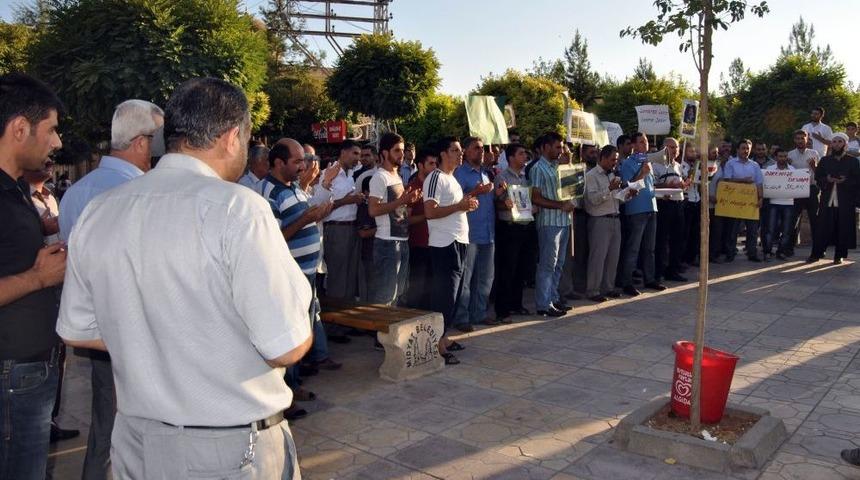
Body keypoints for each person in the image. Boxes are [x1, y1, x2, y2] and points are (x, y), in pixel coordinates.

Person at [56, 78, 312, 479]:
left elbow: (77, 328)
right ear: (231, 138)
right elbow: (287, 346)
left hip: (135, 442)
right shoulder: (239, 210)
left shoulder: (100, 210)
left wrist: (156, 340)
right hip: (226, 449)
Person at [59, 99, 164, 480]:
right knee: (144, 434)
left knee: (106, 427)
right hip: (141, 336)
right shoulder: (146, 196)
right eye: (158, 139)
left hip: (96, 333)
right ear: (141, 142)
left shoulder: (76, 193)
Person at [0, 73, 65, 480]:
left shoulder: (16, 189)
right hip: (11, 374)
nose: (57, 142)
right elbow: (29, 275)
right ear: (20, 128)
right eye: (52, 130)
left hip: (29, 368)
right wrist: (38, 279)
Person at [259, 140, 336, 420]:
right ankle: (284, 396)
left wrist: (318, 213)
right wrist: (306, 219)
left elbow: (304, 218)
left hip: (307, 270)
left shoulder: (293, 187)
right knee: (289, 332)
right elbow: (273, 239)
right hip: (289, 274)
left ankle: (294, 384)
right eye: (296, 162)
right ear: (278, 163)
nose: (302, 166)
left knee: (303, 326)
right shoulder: (267, 192)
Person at [23, 160, 80, 445]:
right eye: (42, 163)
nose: (48, 163)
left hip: (59, 281)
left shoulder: (51, 196)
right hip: (37, 285)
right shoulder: (20, 197)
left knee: (59, 356)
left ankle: (50, 418)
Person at [424, 137, 478, 365]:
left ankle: (444, 338)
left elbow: (454, 209)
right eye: (455, 150)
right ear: (443, 154)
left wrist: (466, 205)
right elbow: (430, 211)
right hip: (445, 245)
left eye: (459, 150)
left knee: (454, 296)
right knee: (445, 296)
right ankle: (437, 345)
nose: (460, 153)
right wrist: (460, 206)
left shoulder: (452, 179)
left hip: (459, 242)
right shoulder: (435, 177)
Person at [368, 132, 420, 305]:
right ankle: (381, 332)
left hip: (402, 239)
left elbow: (398, 206)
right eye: (397, 150)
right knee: (386, 295)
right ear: (384, 153)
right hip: (387, 242)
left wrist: (409, 201)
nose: (401, 154)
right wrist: (402, 200)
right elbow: (373, 210)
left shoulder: (395, 176)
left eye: (402, 150)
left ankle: (391, 332)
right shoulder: (379, 177)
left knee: (397, 294)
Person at [453, 136, 497, 331]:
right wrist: (477, 192)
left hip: (488, 232)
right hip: (470, 233)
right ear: (466, 151)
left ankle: (479, 313)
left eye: (481, 148)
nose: (481, 151)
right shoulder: (459, 174)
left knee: (486, 277)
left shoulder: (486, 173)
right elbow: (455, 201)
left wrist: (499, 193)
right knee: (466, 279)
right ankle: (462, 318)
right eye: (476, 148)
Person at [530, 132, 576, 316]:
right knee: (548, 264)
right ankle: (543, 304)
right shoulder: (538, 168)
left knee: (559, 264)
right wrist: (560, 205)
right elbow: (535, 197)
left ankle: (553, 298)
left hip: (564, 221)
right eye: (557, 147)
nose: (561, 150)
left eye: (562, 147)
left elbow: (570, 190)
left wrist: (569, 166)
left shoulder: (559, 166)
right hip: (549, 222)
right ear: (546, 147)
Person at [619, 132, 665, 296]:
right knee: (633, 248)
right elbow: (628, 186)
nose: (645, 144)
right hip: (636, 209)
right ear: (633, 145)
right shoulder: (627, 163)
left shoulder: (647, 162)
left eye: (646, 141)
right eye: (641, 142)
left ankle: (650, 279)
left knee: (649, 248)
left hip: (651, 207)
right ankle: (627, 282)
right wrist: (642, 173)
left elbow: (649, 186)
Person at [585, 145, 632, 302]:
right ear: (602, 158)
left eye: (617, 160)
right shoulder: (591, 175)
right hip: (599, 220)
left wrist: (628, 194)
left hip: (615, 218)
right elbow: (592, 200)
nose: (615, 163)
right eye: (612, 159)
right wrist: (608, 188)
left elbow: (617, 198)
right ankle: (593, 290)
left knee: (613, 256)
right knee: (598, 257)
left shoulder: (613, 175)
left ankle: (608, 287)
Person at [493, 143, 535, 321]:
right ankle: (503, 310)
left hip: (524, 225)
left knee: (521, 269)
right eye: (521, 154)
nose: (525, 157)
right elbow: (496, 202)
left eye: (525, 154)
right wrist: (505, 203)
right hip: (508, 227)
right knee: (507, 269)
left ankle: (516, 304)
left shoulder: (524, 178)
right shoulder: (502, 177)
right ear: (511, 158)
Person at [319, 140, 364, 305]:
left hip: (352, 229)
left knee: (350, 277)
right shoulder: (329, 175)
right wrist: (349, 200)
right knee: (337, 277)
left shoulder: (351, 176)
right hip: (336, 230)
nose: (357, 159)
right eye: (355, 154)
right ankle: (333, 325)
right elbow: (322, 207)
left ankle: (346, 321)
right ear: (343, 152)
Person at [807, 133, 860, 264]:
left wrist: (845, 181)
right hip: (827, 199)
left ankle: (839, 255)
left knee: (843, 227)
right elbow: (818, 177)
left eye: (840, 141)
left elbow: (858, 180)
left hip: (845, 200)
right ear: (831, 144)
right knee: (823, 227)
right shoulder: (825, 161)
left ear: (845, 144)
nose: (837, 144)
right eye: (834, 141)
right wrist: (827, 179)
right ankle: (817, 253)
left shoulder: (853, 161)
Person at [720, 139, 764, 262]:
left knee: (752, 230)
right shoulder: (731, 163)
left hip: (751, 202)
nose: (745, 151)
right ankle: (730, 253)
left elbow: (759, 183)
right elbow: (727, 181)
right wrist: (743, 181)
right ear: (738, 149)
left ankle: (752, 253)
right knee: (733, 229)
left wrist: (760, 198)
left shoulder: (755, 165)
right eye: (743, 148)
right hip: (734, 202)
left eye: (747, 149)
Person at [404, 149, 437, 310]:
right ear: (420, 165)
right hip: (418, 244)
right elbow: (406, 219)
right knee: (418, 286)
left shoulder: (437, 185)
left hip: (437, 242)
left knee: (432, 286)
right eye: (431, 163)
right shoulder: (412, 187)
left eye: (436, 163)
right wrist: (427, 215)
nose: (434, 167)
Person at [652, 137, 688, 282]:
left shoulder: (678, 166)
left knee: (677, 239)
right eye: (672, 147)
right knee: (661, 240)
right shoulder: (656, 165)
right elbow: (653, 186)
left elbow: (679, 185)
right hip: (664, 205)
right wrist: (668, 187)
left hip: (678, 204)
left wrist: (684, 185)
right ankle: (658, 272)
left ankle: (673, 270)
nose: (675, 150)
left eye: (677, 147)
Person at [787, 129, 820, 255]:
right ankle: (789, 248)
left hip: (811, 189)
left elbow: (819, 174)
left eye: (802, 138)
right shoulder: (790, 154)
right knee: (793, 220)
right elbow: (787, 174)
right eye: (798, 138)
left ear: (807, 139)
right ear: (794, 140)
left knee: (815, 220)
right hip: (795, 190)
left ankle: (817, 250)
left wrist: (814, 167)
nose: (800, 141)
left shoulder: (814, 153)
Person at [762, 149, 796, 260]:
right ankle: (767, 251)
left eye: (785, 156)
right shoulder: (769, 169)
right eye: (780, 156)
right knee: (770, 229)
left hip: (789, 202)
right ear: (776, 157)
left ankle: (781, 252)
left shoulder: (793, 169)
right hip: (773, 202)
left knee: (786, 230)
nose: (783, 158)